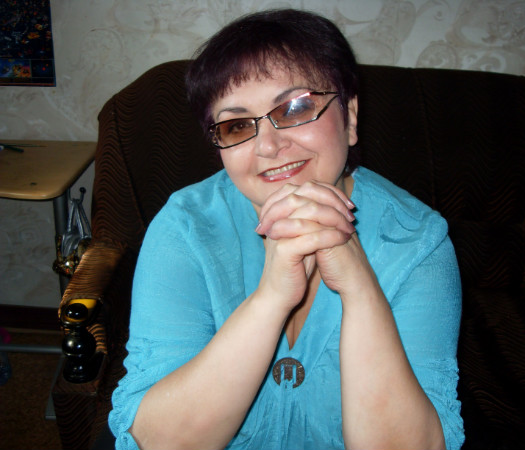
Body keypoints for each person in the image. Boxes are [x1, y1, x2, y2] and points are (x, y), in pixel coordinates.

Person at [109, 8, 464, 450]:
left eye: (296, 107)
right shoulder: (185, 229)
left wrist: (360, 289)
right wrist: (271, 298)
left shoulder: (418, 243)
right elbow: (157, 442)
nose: (269, 146)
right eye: (237, 125)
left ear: (351, 117)